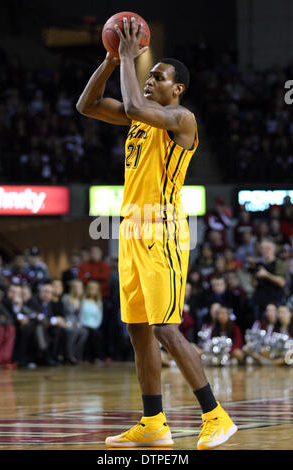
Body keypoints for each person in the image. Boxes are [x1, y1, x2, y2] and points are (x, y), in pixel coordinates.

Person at [76, 17, 236, 450]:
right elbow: (86, 105)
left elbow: (131, 106)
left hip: (162, 229)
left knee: (166, 327)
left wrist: (128, 58)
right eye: (147, 76)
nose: (149, 81)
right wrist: (111, 61)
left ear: (177, 88)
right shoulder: (141, 120)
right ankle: (153, 423)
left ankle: (216, 416)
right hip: (130, 230)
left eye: (158, 77)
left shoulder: (181, 118)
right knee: (139, 330)